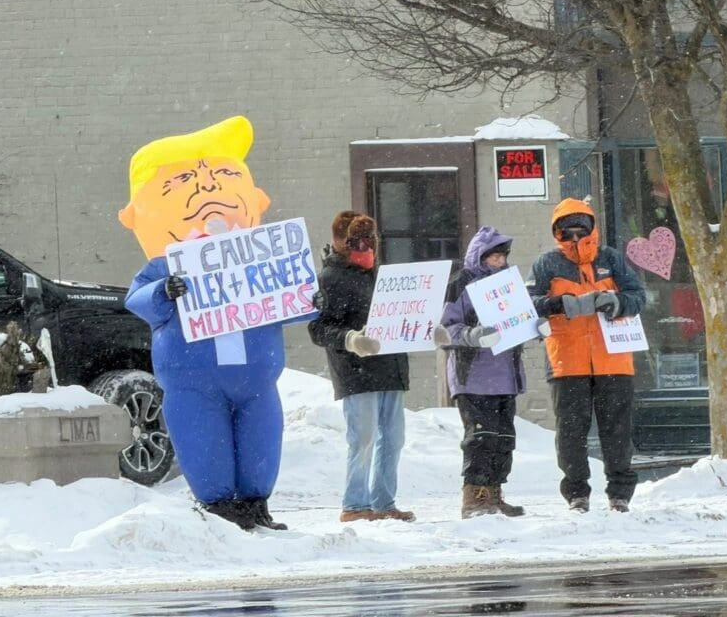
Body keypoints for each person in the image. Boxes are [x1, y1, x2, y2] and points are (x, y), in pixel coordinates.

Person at [119, 115, 306, 531]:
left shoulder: (260, 260)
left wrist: (311, 298)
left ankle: (256, 504)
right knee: (204, 440)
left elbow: (291, 301)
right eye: (183, 182)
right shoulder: (165, 267)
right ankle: (219, 506)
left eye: (221, 175)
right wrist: (164, 292)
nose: (207, 189)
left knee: (261, 439)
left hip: (257, 379)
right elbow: (138, 299)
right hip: (192, 380)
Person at [527, 198, 645, 513]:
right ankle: (577, 493)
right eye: (568, 231)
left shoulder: (612, 259)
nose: (576, 237)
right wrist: (555, 304)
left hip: (613, 358)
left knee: (617, 430)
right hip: (566, 360)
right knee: (570, 433)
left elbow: (638, 297)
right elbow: (526, 303)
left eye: (581, 230)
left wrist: (614, 302)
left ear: (592, 228)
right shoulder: (545, 264)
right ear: (558, 232)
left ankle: (620, 494)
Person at [435, 226, 551, 519]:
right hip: (473, 374)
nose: (499, 261)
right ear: (480, 257)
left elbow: (521, 320)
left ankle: (495, 491)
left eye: (502, 256)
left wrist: (535, 327)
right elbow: (446, 329)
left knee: (502, 437)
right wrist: (472, 335)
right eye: (493, 256)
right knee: (480, 436)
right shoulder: (461, 283)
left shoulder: (510, 286)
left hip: (505, 375)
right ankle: (475, 495)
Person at [308, 211, 415, 523]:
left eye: (371, 240)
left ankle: (384, 502)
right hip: (356, 371)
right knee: (363, 438)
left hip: (391, 366)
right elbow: (318, 329)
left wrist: (424, 327)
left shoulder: (385, 276)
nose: (366, 247)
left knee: (393, 439)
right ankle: (355, 503)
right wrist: (351, 339)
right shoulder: (329, 279)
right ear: (342, 243)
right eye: (358, 241)